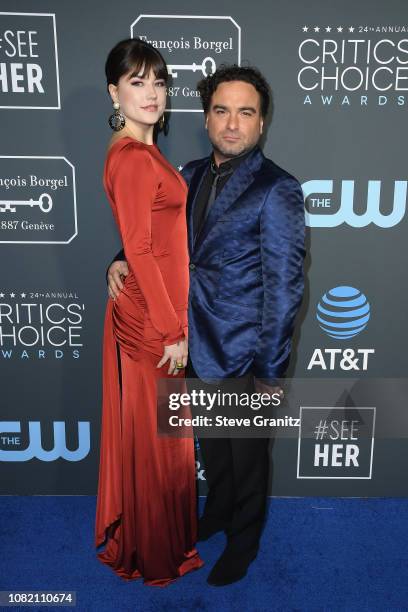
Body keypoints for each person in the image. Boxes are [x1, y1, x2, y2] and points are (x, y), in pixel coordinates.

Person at [107, 64, 305, 586]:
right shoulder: (186, 174)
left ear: (262, 123)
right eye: (222, 111)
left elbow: (285, 290)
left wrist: (269, 372)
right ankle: (215, 514)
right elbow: (152, 238)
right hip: (185, 342)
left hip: (243, 354)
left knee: (247, 459)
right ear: (206, 117)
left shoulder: (277, 189)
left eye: (246, 112)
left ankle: (244, 541)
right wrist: (119, 257)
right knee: (212, 448)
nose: (233, 124)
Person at [94, 38, 203, 587]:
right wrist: (171, 329)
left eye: (159, 82)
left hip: (149, 312)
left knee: (160, 441)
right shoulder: (134, 157)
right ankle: (156, 554)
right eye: (137, 82)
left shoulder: (136, 150)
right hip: (153, 324)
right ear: (114, 91)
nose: (152, 93)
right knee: (164, 447)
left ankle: (154, 541)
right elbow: (140, 249)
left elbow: (149, 240)